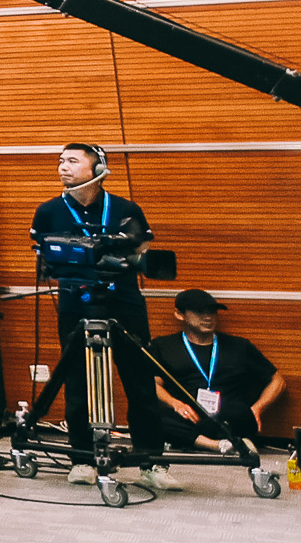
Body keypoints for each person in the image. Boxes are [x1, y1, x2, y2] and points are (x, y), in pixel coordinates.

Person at [29, 142, 162, 481]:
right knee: (77, 381)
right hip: (75, 304)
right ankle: (82, 459)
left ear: (98, 169)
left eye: (73, 161)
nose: (63, 166)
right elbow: (43, 261)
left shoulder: (125, 208)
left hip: (125, 303)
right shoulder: (48, 211)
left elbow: (142, 249)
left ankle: (151, 463)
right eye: (61, 161)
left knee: (140, 381)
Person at [144, 289, 285, 455]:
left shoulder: (239, 346)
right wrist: (175, 404)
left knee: (239, 411)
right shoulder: (163, 346)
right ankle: (215, 445)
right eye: (200, 312)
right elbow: (153, 384)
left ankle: (197, 442)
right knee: (147, 414)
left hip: (230, 417)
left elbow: (278, 381)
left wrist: (257, 409)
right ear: (179, 315)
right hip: (190, 417)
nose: (208, 317)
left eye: (212, 312)